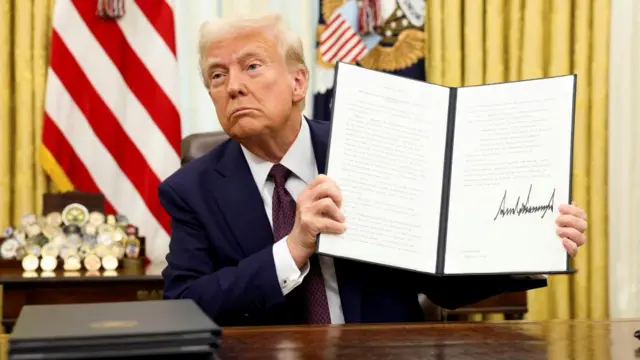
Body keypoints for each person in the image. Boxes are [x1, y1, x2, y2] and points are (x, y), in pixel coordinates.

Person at [159, 13, 588, 326]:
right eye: (217, 75)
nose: (233, 86)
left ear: (298, 82)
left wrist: (531, 245)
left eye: (252, 66)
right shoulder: (191, 190)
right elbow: (185, 305)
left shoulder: (375, 147)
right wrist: (292, 249)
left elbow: (441, 281)